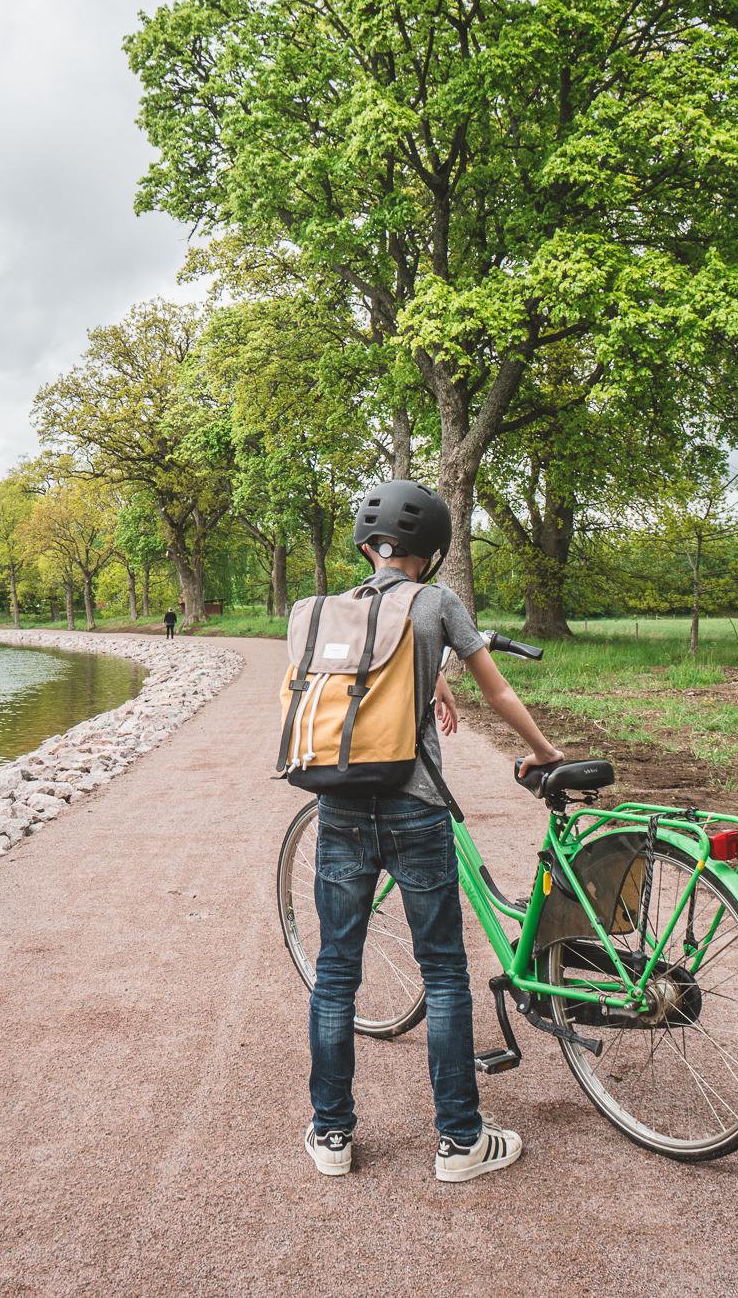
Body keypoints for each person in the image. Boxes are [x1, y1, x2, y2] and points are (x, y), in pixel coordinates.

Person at [303, 479, 564, 1183]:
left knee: (335, 974)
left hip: (341, 806)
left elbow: (362, 679)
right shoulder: (439, 603)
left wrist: (432, 683)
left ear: (367, 547)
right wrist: (544, 752)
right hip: (416, 806)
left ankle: (331, 1134)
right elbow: (498, 690)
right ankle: (459, 1140)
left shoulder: (342, 609)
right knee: (444, 972)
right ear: (433, 551)